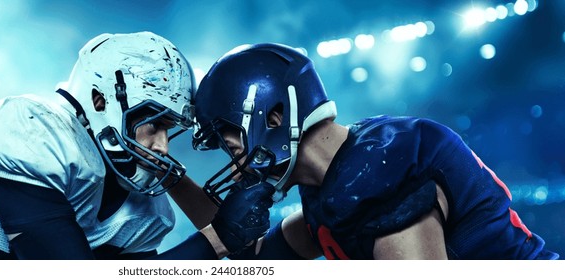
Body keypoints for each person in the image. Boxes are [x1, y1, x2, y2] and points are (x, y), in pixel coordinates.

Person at [0, 32, 273, 260]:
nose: (162, 147)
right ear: (99, 101)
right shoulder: (32, 126)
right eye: (153, 124)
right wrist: (216, 238)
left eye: (171, 130)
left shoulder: (147, 211)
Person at [189, 43, 560, 260]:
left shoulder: (375, 173)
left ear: (274, 117)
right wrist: (170, 178)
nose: (235, 170)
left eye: (233, 147)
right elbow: (252, 258)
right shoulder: (331, 181)